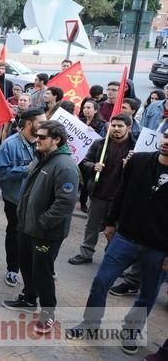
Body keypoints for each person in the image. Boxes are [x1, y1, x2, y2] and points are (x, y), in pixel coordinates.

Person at [66, 128, 168, 355]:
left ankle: (131, 331)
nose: (167, 141)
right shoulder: (139, 161)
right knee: (101, 281)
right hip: (126, 237)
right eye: (167, 135)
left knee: (147, 294)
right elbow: (121, 192)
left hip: (158, 249)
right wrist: (110, 222)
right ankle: (90, 324)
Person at [2, 120, 78, 334]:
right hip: (27, 226)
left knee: (42, 272)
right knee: (26, 265)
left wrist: (43, 223)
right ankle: (28, 298)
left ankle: (48, 314)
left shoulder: (65, 166)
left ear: (57, 140)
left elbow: (65, 203)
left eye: (43, 137)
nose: (37, 139)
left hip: (45, 233)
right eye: (37, 135)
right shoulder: (40, 158)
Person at [68, 114, 136, 265]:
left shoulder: (135, 149)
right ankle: (86, 253)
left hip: (119, 199)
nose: (116, 129)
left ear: (129, 128)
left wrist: (130, 166)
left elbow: (140, 175)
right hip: (99, 193)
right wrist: (94, 166)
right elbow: (85, 162)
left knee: (115, 231)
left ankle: (111, 257)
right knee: (92, 226)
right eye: (114, 125)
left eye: (120, 126)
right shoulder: (100, 144)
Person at [0, 108, 46, 287]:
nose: (44, 125)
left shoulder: (44, 143)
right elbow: (0, 173)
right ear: (30, 124)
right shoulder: (9, 145)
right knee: (16, 234)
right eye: (41, 122)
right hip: (15, 201)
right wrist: (27, 169)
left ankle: (37, 268)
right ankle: (13, 269)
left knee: (35, 236)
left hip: (38, 201)